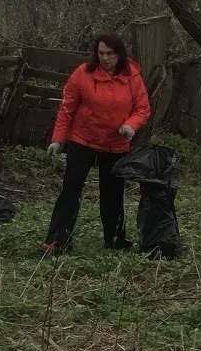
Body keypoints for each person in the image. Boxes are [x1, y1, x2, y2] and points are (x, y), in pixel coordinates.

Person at [42, 33, 151, 256]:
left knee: (112, 193)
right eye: (101, 53)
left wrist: (131, 125)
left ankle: (115, 240)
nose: (105, 58)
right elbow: (67, 108)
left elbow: (142, 109)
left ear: (119, 55)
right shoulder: (83, 73)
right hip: (83, 139)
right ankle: (57, 241)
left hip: (115, 144)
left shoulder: (132, 77)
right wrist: (58, 139)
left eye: (110, 54)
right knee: (71, 189)